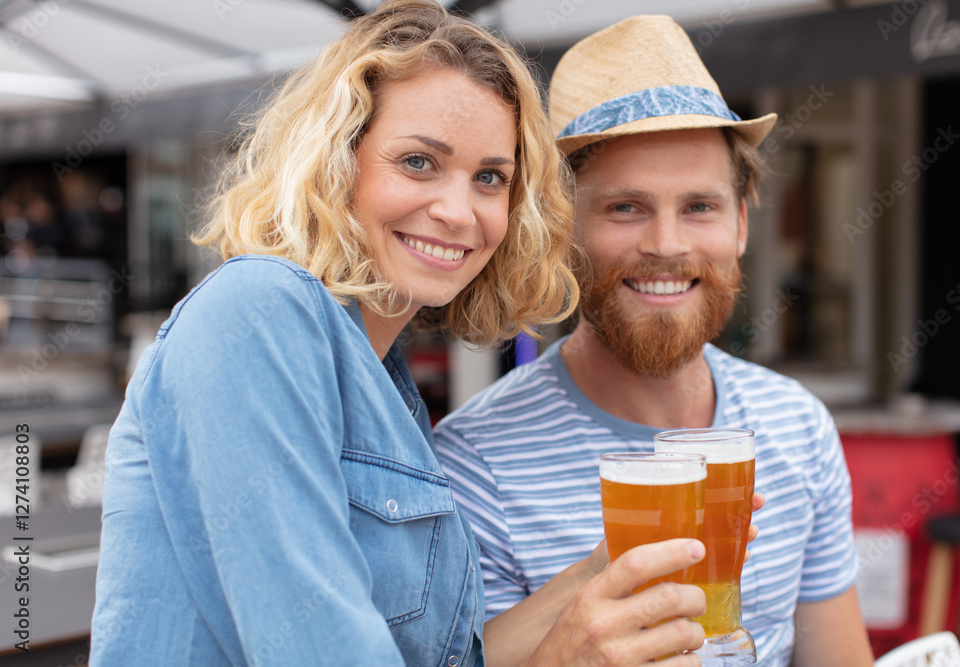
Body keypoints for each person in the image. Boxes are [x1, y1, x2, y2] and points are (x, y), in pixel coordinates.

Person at [90, 2, 710, 665]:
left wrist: (601, 576)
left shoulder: (382, 376)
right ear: (337, 160)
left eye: (489, 178)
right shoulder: (258, 312)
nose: (456, 210)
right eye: (418, 162)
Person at [434, 14, 876, 667]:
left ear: (742, 225)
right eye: (626, 207)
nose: (667, 245)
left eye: (700, 206)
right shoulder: (474, 469)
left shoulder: (797, 427)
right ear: (559, 229)